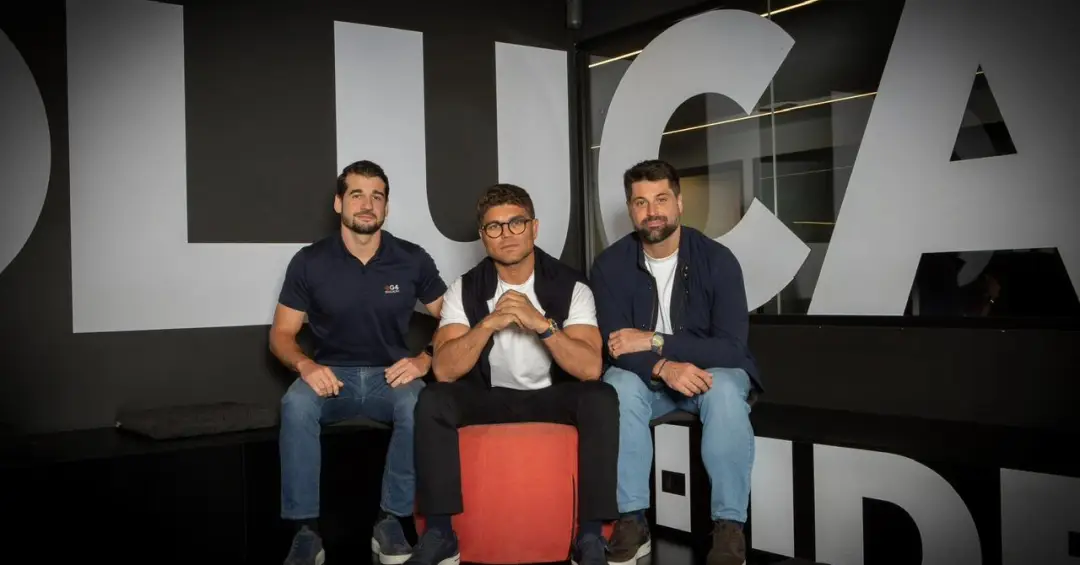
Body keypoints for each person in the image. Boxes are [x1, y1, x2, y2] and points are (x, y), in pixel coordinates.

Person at [405, 184, 619, 565]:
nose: (506, 234)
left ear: (534, 227)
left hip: (551, 396)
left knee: (601, 397)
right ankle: (440, 533)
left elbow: (590, 367)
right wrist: (488, 323)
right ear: (483, 236)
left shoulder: (571, 286)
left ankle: (589, 536)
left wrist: (541, 325)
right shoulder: (464, 288)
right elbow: (443, 370)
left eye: (516, 223)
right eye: (494, 227)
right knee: (433, 399)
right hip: (489, 397)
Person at [270, 160, 447, 565]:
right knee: (295, 405)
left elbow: (452, 320)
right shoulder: (310, 261)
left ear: (386, 207)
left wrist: (425, 359)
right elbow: (281, 334)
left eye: (376, 196)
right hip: (332, 376)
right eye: (357, 195)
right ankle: (305, 532)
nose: (367, 204)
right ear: (339, 203)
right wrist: (305, 366)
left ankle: (390, 521)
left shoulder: (412, 258)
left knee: (421, 404)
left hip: (392, 375)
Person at [590, 160, 762, 565]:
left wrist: (655, 342)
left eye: (661, 199)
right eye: (641, 202)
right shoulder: (610, 266)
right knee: (617, 386)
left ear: (679, 202)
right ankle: (632, 520)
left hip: (708, 377)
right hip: (648, 381)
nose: (652, 211)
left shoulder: (717, 259)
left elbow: (732, 349)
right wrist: (663, 367)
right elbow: (615, 346)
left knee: (724, 389)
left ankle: (729, 527)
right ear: (630, 209)